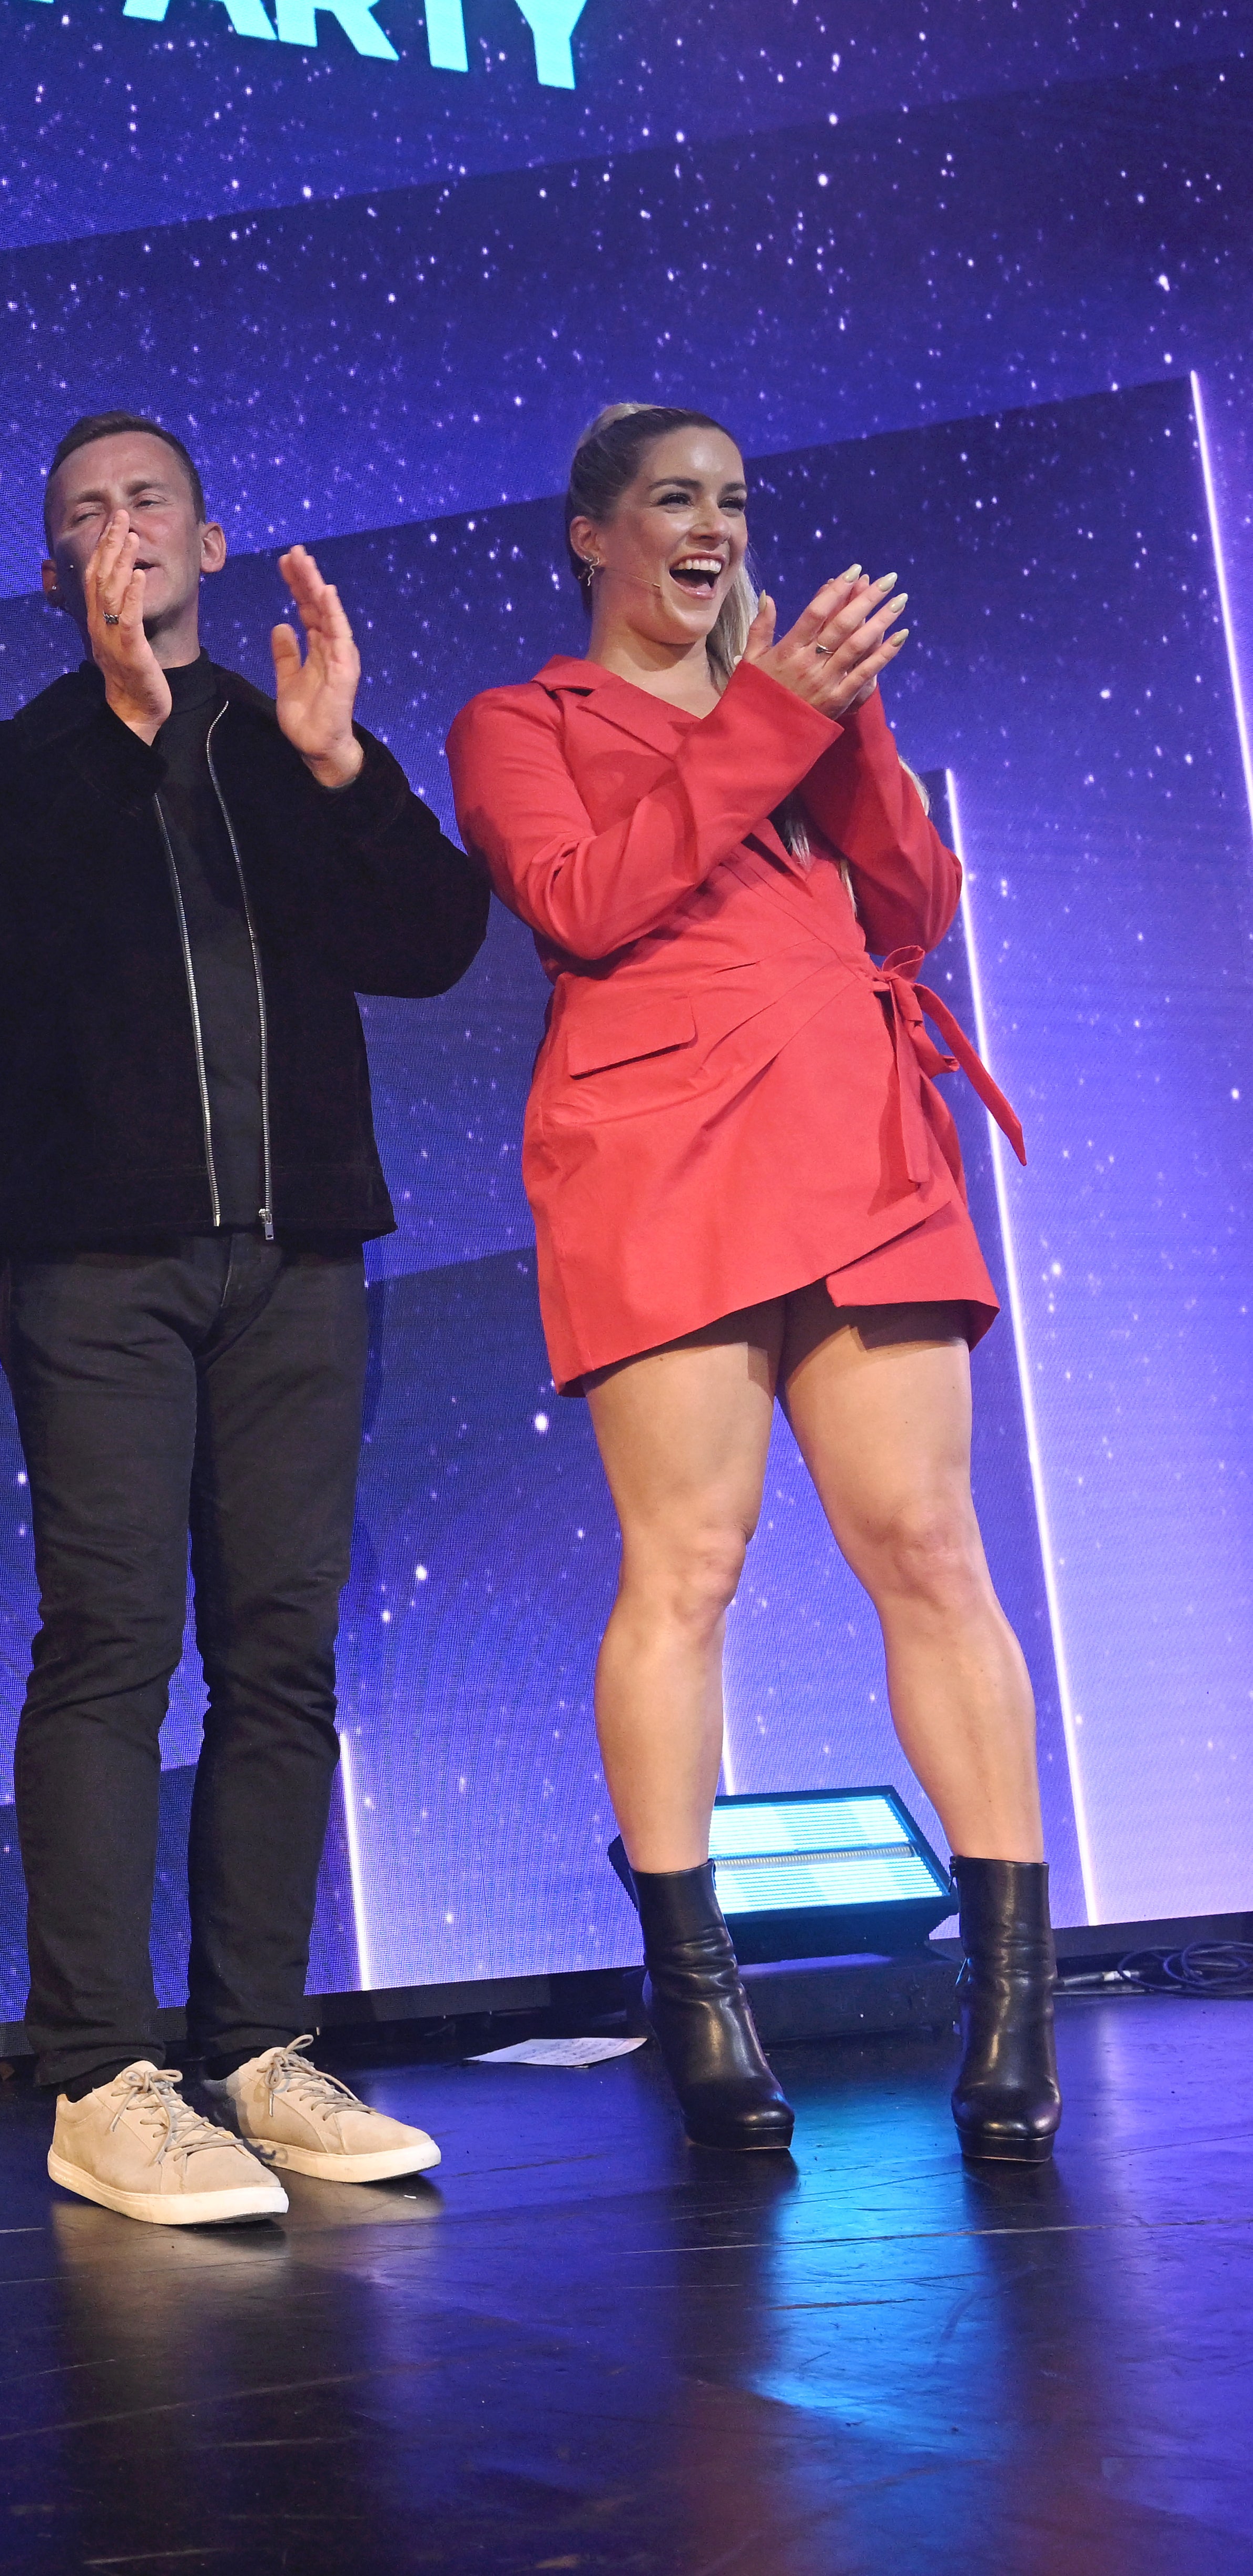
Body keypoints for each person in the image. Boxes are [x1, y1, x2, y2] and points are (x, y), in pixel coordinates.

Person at [443, 404, 1050, 2162]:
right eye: (669, 500)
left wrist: (836, 716)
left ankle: (1008, 1998)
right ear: (591, 537)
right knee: (688, 1564)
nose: (707, 527)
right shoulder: (520, 722)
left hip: (856, 1155)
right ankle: (695, 1996)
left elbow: (909, 904)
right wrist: (767, 711)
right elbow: (581, 898)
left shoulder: (798, 702)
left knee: (930, 1551)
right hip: (657, 1165)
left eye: (729, 498)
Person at [0, 414, 488, 2226]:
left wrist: (340, 768)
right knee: (110, 1640)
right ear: (52, 573)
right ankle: (101, 2072)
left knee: (284, 1654)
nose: (123, 533)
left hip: (300, 1259)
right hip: (99, 1265)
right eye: (85, 517)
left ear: (209, 538)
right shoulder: (8, 767)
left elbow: (431, 940)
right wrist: (121, 724)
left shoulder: (287, 740)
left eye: (150, 505)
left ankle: (257, 2040)